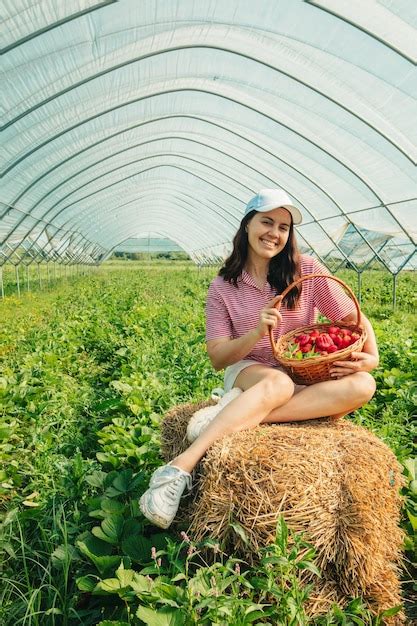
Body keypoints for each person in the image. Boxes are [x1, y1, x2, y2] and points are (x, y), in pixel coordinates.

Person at [139, 188, 379, 529]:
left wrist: (372, 358)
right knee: (277, 381)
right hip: (249, 371)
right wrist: (254, 332)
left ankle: (234, 416)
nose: (275, 233)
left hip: (300, 376)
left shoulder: (305, 270)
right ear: (247, 225)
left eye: (283, 227)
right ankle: (180, 467)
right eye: (267, 222)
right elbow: (218, 357)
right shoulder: (224, 285)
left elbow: (354, 319)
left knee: (363, 385)